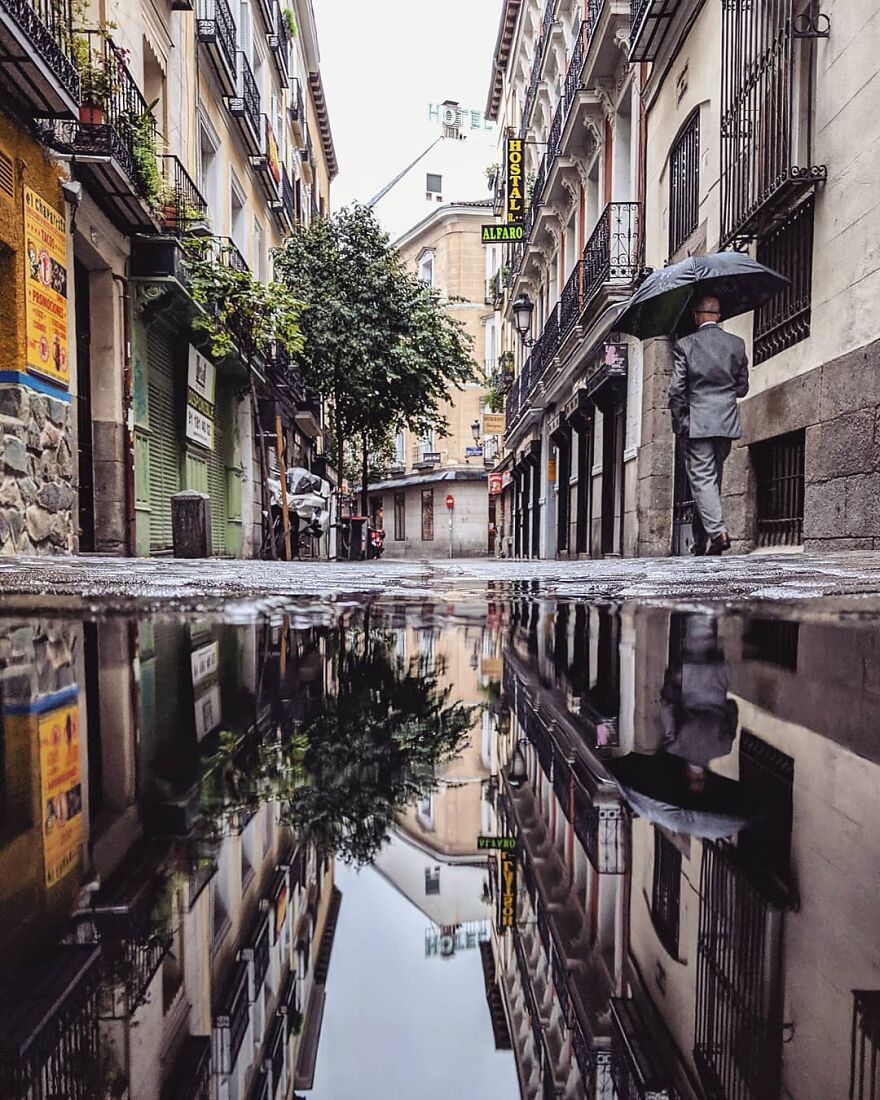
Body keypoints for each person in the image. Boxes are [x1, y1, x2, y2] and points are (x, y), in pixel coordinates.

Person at [668, 294, 749, 555]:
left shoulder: (685, 345)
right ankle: (700, 542)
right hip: (725, 422)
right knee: (709, 481)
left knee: (702, 479)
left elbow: (676, 390)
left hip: (698, 423)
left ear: (697, 316)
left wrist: (681, 422)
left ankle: (718, 533)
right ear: (718, 315)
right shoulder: (736, 344)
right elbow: (742, 387)